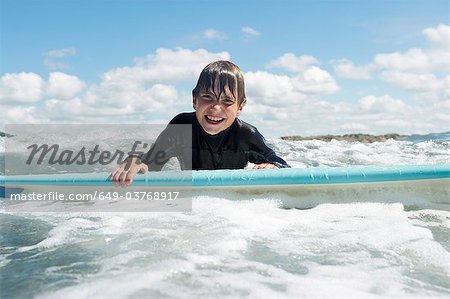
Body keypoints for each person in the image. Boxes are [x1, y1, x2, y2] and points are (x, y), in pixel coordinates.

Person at [111, 60, 290, 187]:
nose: (216, 108)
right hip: (195, 203)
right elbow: (152, 162)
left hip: (233, 202)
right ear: (194, 99)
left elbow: (282, 165)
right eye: (207, 97)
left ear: (240, 107)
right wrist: (135, 161)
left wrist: (273, 166)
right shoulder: (181, 129)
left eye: (227, 101)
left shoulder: (246, 134)